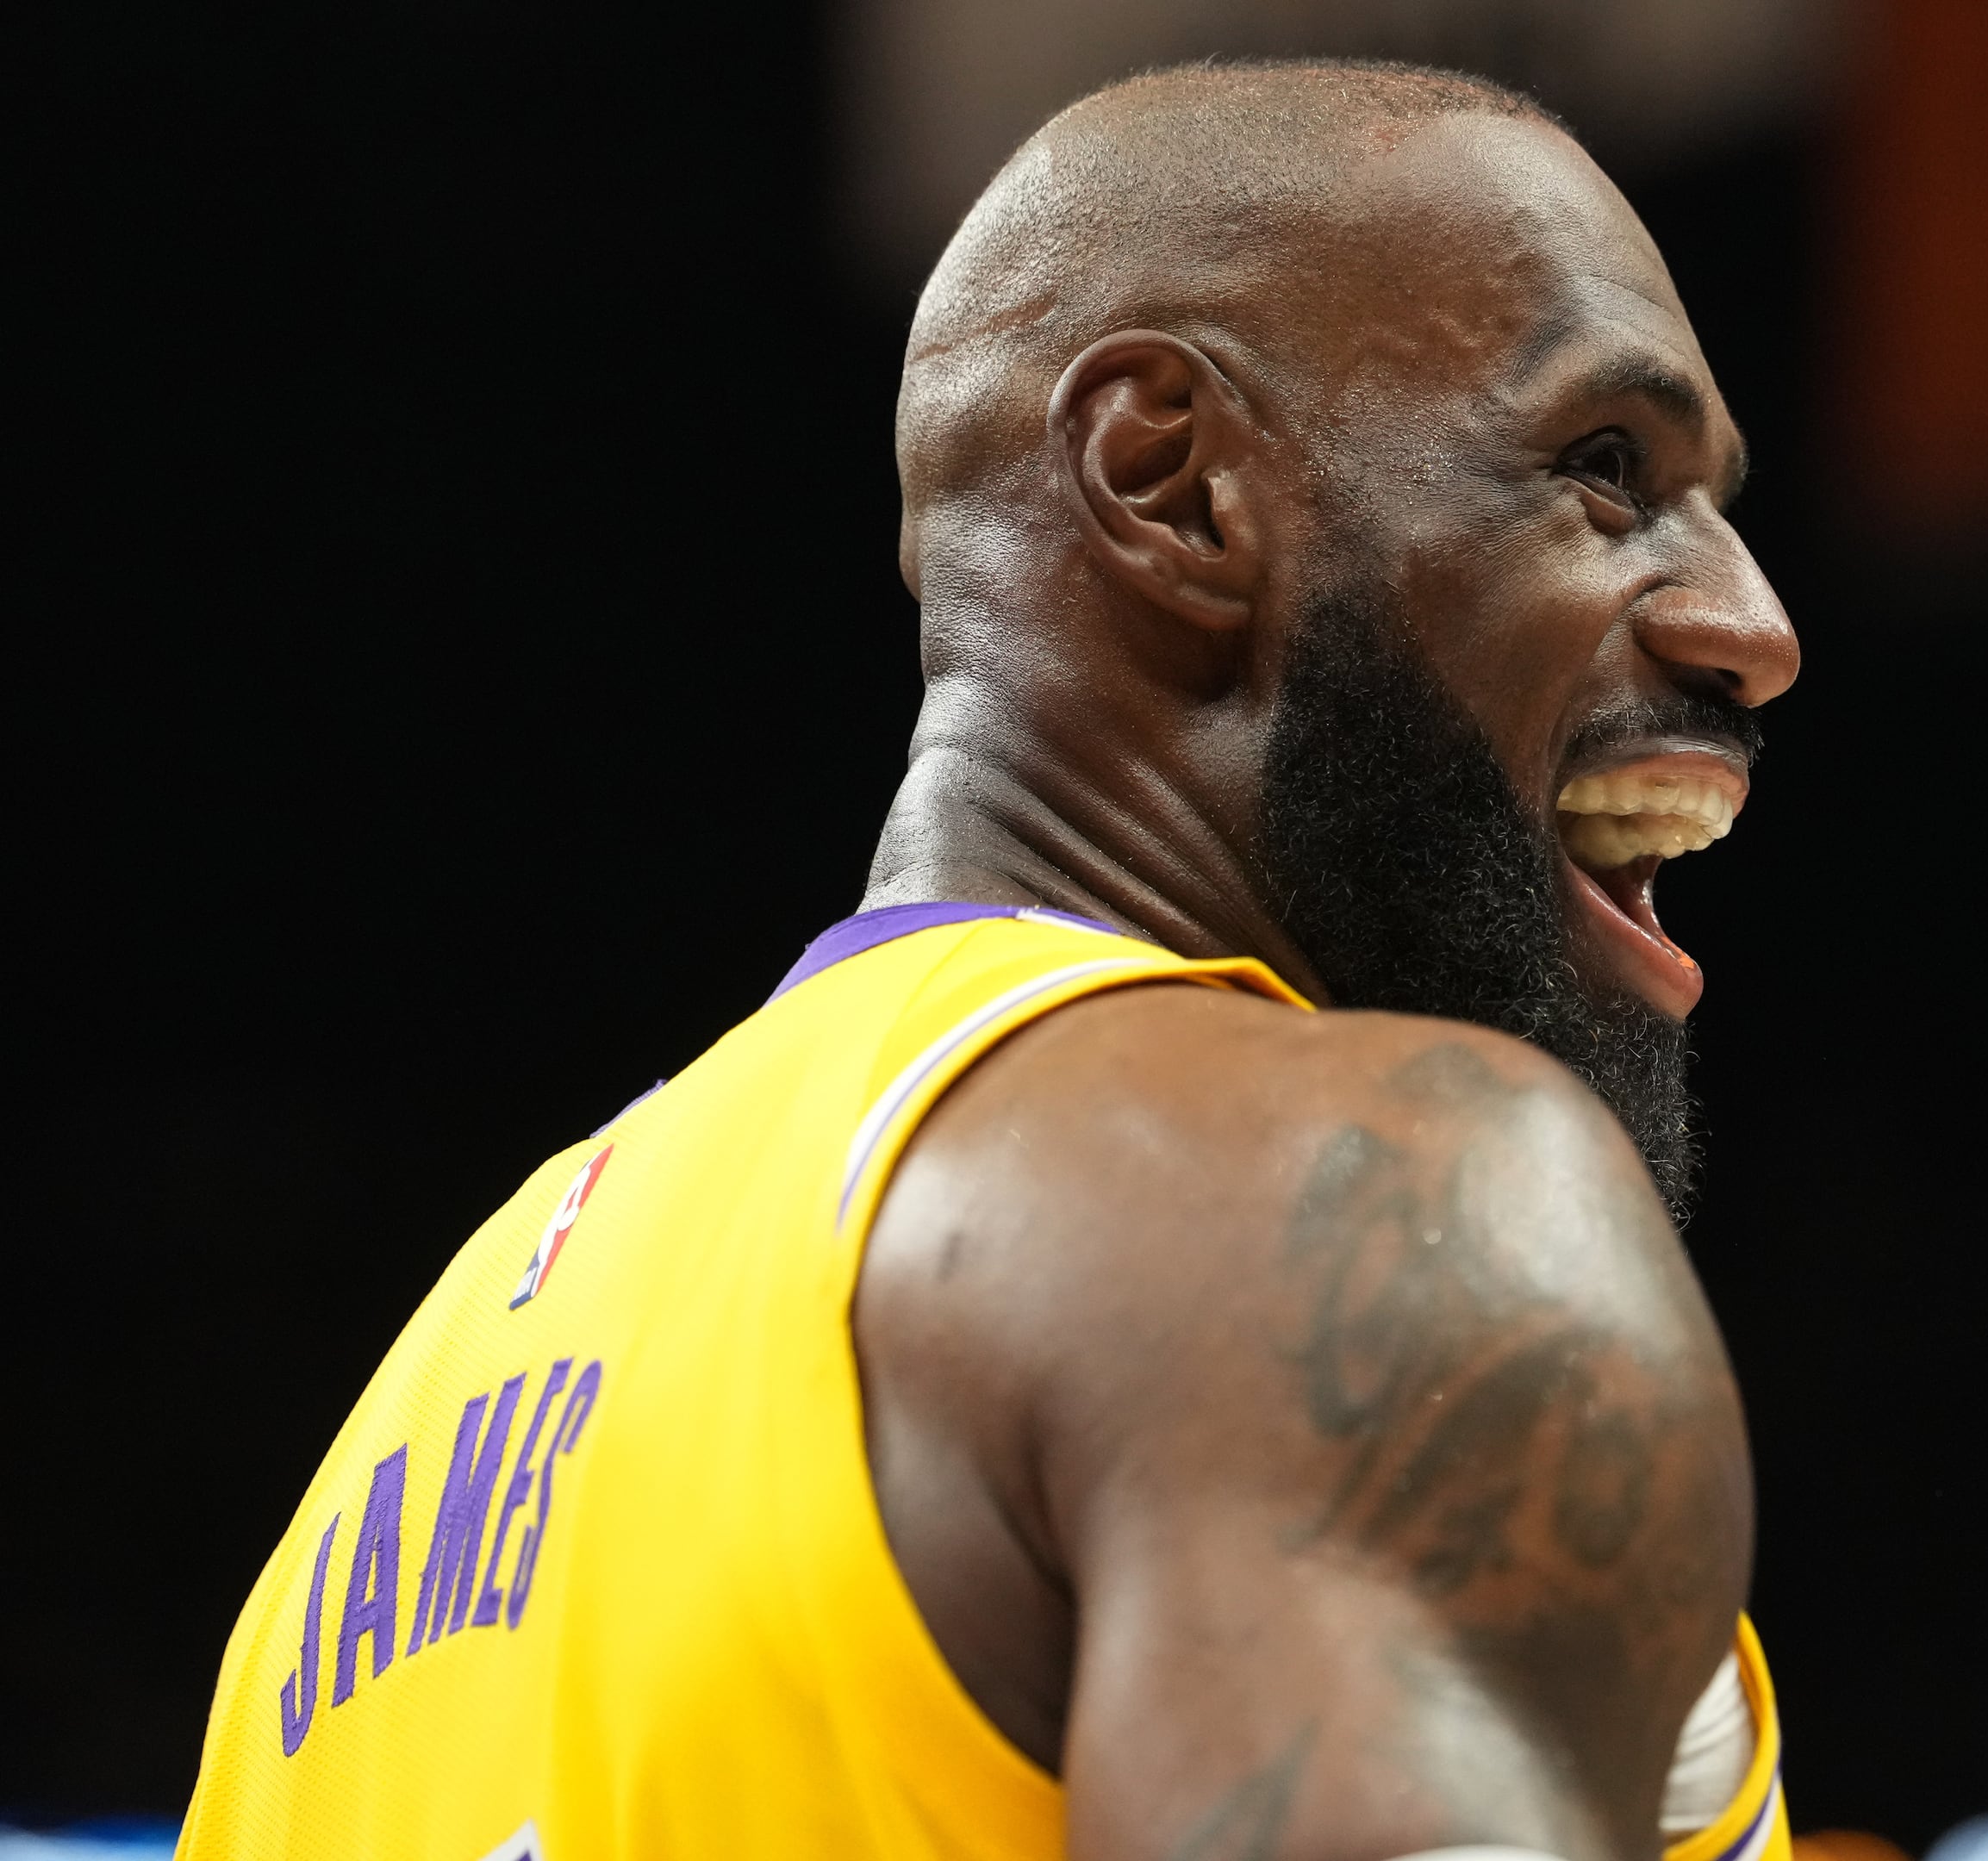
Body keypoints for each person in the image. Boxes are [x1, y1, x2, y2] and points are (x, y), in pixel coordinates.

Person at [178, 58, 1801, 1861]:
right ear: (1170, 482)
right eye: (1604, 470)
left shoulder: (357, 1514)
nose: (1756, 628)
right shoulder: (1350, 1200)